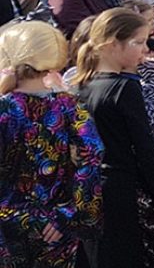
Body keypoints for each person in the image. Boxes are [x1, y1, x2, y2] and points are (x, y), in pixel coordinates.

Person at [75, 8, 154, 267]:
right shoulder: (125, 87)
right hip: (124, 190)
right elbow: (144, 148)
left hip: (91, 187)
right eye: (138, 42)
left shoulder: (83, 84)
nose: (145, 49)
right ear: (112, 44)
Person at [0, 21, 103, 268]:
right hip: (56, 225)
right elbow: (92, 157)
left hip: (7, 223)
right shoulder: (69, 106)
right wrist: (70, 213)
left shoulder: (5, 109)